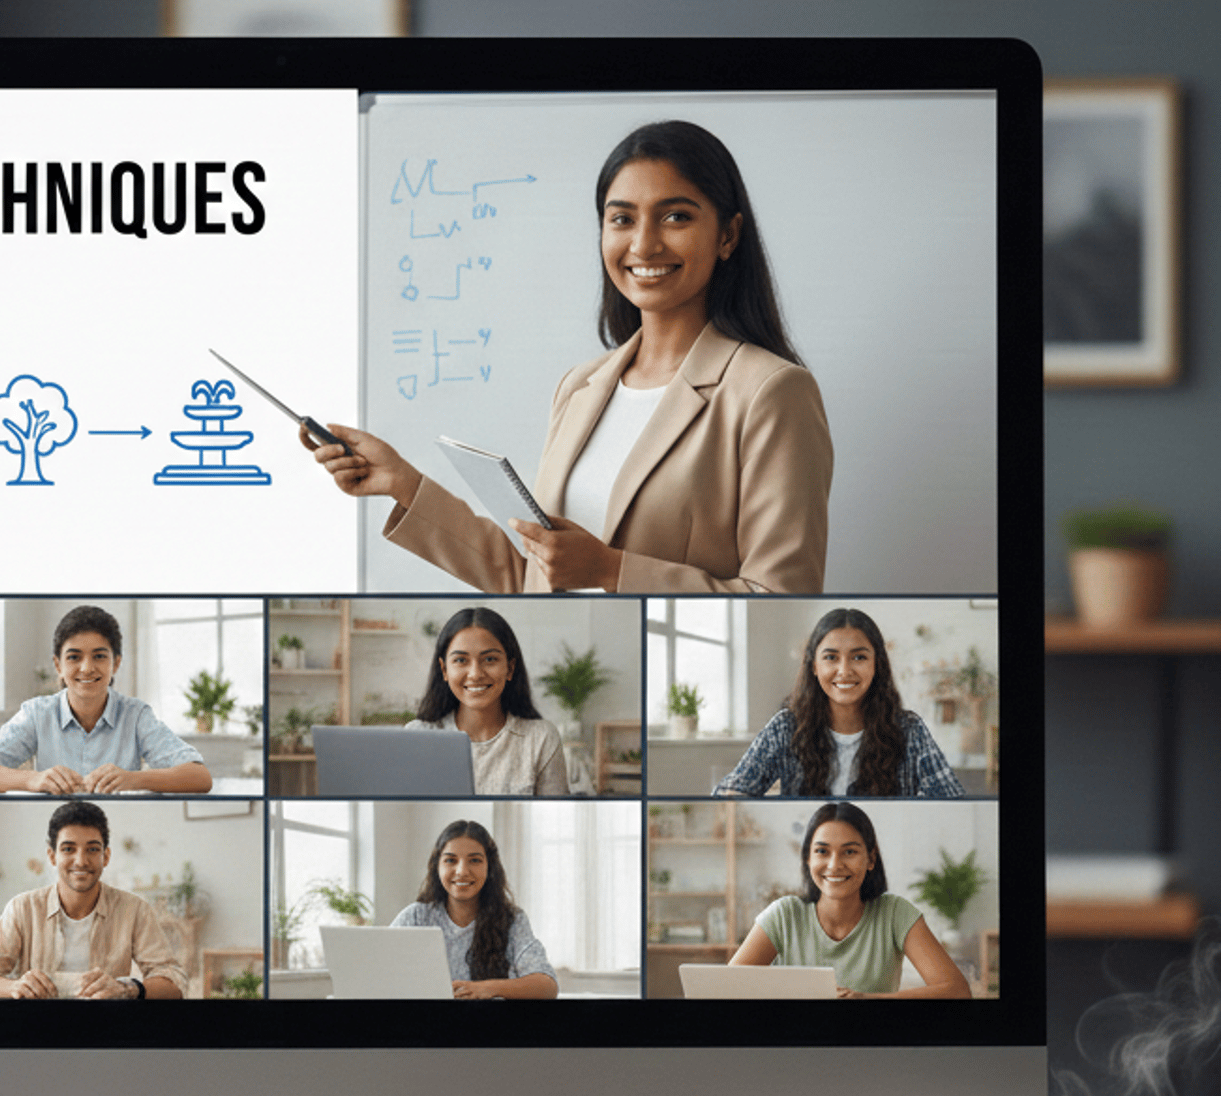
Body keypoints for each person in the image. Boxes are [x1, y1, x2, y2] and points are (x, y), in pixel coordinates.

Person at [307, 120, 830, 594]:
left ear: (728, 235)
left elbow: (781, 598)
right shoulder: (580, 387)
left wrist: (610, 570)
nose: (644, 245)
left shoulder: (771, 391)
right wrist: (401, 482)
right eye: (621, 219)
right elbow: (530, 575)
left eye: (675, 216)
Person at [0, 605, 211, 794]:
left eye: (99, 656)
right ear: (58, 665)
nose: (87, 668)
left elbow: (199, 777)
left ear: (116, 663)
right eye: (74, 657)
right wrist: (31, 780)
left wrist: (134, 779)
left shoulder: (136, 715)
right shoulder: (37, 713)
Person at [714, 608, 964, 797]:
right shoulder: (786, 726)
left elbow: (953, 801)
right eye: (831, 657)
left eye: (858, 657)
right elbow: (727, 792)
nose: (844, 671)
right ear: (814, 665)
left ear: (877, 664)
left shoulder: (909, 729)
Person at [730, 802, 969, 999]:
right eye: (822, 851)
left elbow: (958, 991)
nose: (834, 865)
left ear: (871, 859)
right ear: (807, 859)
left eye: (850, 852)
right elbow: (725, 991)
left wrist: (867, 999)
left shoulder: (895, 914)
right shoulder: (784, 915)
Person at [0, 801, 186, 999]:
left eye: (92, 849)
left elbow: (175, 981)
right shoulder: (23, 907)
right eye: (68, 849)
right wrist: (14, 987)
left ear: (106, 856)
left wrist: (126, 989)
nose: (81, 861)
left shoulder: (134, 909)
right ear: (52, 856)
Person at [403, 607, 568, 796]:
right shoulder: (417, 736)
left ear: (510, 668)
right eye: (460, 660)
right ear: (444, 670)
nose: (475, 674)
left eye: (490, 659)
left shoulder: (540, 738)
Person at [389, 820, 558, 1000]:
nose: (462, 871)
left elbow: (547, 987)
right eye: (450, 860)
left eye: (475, 860)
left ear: (489, 867)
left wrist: (487, 988)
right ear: (437, 866)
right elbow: (380, 971)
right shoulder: (416, 917)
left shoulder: (512, 920)